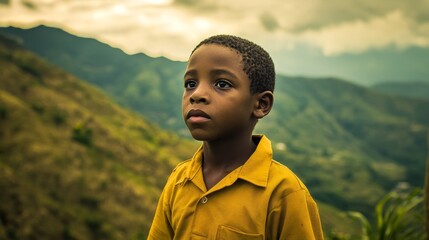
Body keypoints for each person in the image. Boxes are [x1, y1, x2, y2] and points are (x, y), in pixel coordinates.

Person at [148, 35, 324, 239]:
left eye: (222, 84)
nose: (197, 94)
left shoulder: (284, 193)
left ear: (261, 104)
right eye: (190, 83)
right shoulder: (179, 180)